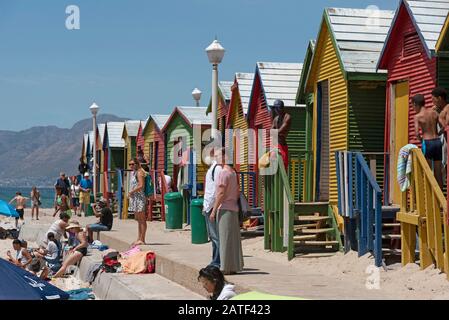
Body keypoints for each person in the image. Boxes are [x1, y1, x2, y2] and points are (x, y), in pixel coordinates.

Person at [210, 148, 244, 275]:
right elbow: (236, 191)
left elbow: (221, 193)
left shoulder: (223, 173)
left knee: (224, 238)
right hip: (233, 207)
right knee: (233, 239)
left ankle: (225, 267)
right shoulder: (233, 172)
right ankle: (234, 266)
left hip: (224, 208)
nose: (216, 158)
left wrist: (213, 211)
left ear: (224, 156)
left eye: (218, 155)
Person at [413, 94, 444, 190]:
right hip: (438, 142)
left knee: (427, 171)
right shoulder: (434, 113)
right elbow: (443, 126)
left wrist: (421, 140)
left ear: (415, 104)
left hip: (427, 143)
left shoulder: (418, 116)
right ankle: (441, 199)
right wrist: (438, 133)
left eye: (412, 106)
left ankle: (430, 196)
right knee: (438, 171)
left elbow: (417, 133)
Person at [203, 148, 223, 268]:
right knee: (212, 236)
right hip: (208, 206)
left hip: (212, 207)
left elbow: (216, 190)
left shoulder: (217, 168)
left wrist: (211, 208)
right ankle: (215, 260)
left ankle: (217, 261)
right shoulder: (212, 168)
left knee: (216, 236)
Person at [128, 158, 147, 246]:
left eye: (132, 164)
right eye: (130, 164)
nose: (131, 166)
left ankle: (142, 239)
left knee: (142, 219)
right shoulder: (134, 172)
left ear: (136, 164)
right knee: (138, 219)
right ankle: (139, 238)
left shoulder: (139, 172)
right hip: (136, 198)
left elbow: (141, 185)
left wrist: (132, 191)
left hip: (139, 198)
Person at [271, 99, 292, 170]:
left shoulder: (287, 117)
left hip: (282, 144)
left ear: (281, 108)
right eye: (275, 109)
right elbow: (271, 131)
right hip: (275, 144)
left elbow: (281, 130)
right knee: (274, 166)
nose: (276, 110)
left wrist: (276, 132)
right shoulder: (276, 119)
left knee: (284, 166)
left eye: (277, 108)